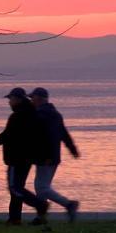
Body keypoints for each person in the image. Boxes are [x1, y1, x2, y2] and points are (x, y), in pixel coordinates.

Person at [0, 87, 49, 225]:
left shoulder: (18, 116)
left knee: (15, 188)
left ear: (18, 99)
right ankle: (15, 218)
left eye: (11, 99)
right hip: (27, 158)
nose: (9, 102)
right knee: (17, 188)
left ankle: (39, 204)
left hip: (16, 158)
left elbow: (8, 135)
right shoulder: (32, 114)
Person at [29, 87, 80, 222]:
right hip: (51, 156)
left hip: (46, 157)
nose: (31, 101)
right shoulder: (55, 114)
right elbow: (64, 134)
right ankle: (41, 216)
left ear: (39, 99)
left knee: (42, 187)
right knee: (41, 186)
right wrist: (72, 149)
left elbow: (48, 137)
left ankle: (68, 204)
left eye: (32, 98)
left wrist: (47, 156)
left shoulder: (41, 115)